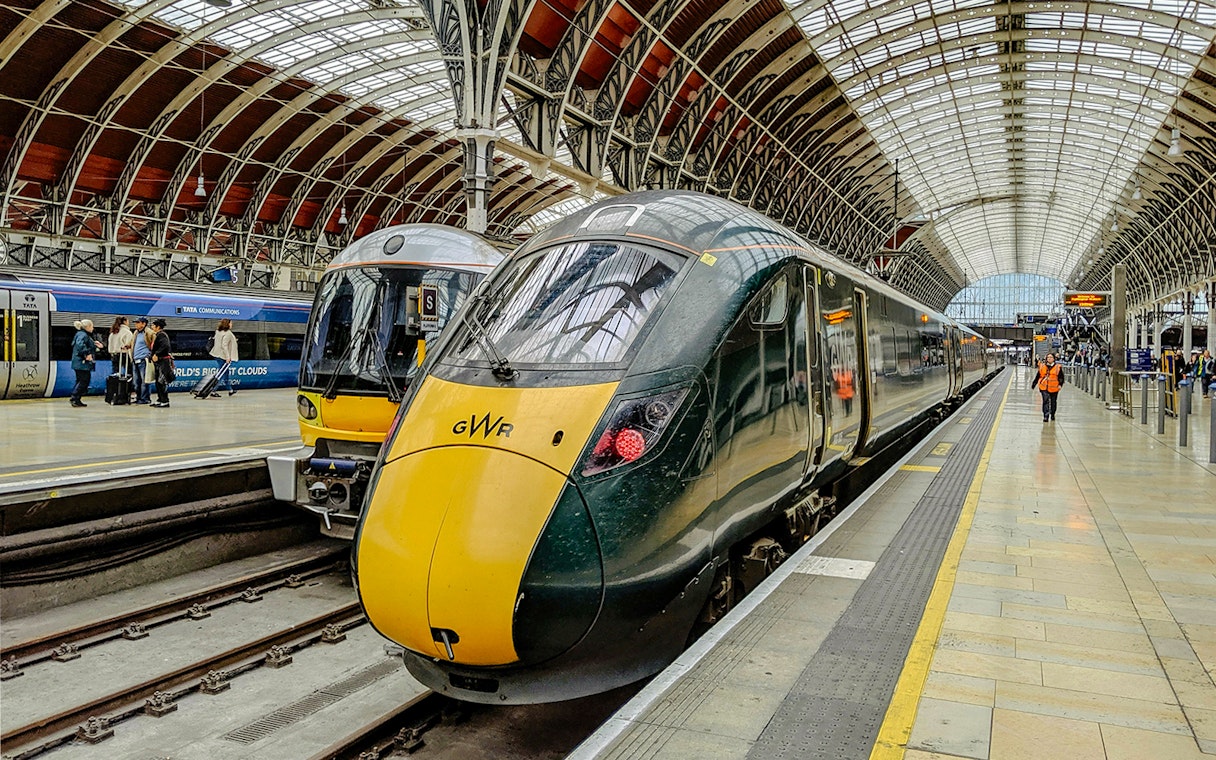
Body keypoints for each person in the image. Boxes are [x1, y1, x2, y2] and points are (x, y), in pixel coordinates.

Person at [69, 319, 100, 407]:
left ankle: (76, 399)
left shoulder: (81, 334)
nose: (93, 328)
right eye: (92, 326)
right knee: (84, 380)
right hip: (82, 363)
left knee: (80, 380)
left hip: (79, 362)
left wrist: (94, 344)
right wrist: (87, 354)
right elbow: (80, 345)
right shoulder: (83, 335)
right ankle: (74, 398)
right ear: (88, 327)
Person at [208, 318, 240, 396]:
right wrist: (228, 357)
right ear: (228, 324)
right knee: (221, 374)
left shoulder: (218, 331)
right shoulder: (228, 333)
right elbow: (224, 346)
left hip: (216, 354)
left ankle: (230, 390)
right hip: (223, 356)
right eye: (231, 323)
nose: (232, 324)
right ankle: (213, 390)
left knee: (225, 373)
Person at [149, 318, 173, 408]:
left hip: (163, 361)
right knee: (158, 382)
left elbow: (165, 346)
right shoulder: (158, 335)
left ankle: (165, 401)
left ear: (158, 327)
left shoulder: (161, 335)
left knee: (161, 381)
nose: (151, 327)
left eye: (153, 325)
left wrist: (156, 354)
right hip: (159, 361)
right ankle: (160, 399)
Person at [1035, 352, 1064, 422]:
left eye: (1051, 357)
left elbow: (1061, 377)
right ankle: (1046, 415)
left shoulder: (1058, 367)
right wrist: (1034, 383)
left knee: (1053, 402)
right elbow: (1038, 375)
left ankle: (1053, 413)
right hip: (1044, 387)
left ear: (1054, 359)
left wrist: (1060, 384)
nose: (1049, 359)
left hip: (1054, 387)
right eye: (1048, 357)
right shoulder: (1042, 366)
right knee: (1045, 401)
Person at [131, 316, 153, 404]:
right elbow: (133, 343)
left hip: (144, 360)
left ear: (144, 324)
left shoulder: (149, 333)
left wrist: (150, 355)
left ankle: (145, 398)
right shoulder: (136, 333)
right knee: (136, 381)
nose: (135, 324)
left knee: (145, 381)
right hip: (135, 360)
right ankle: (139, 397)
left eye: (137, 322)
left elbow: (154, 344)